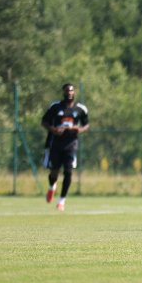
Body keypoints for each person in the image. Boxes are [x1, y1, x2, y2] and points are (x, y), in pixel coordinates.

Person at [41, 83, 90, 211]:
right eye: (67, 90)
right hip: (55, 144)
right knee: (54, 171)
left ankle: (61, 201)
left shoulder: (80, 109)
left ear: (74, 92)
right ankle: (52, 187)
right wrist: (53, 129)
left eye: (71, 90)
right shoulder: (56, 107)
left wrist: (77, 129)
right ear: (63, 92)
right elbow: (44, 121)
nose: (69, 92)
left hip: (71, 144)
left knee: (68, 172)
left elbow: (86, 125)